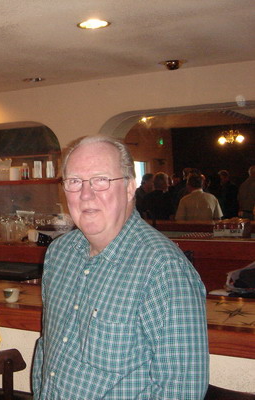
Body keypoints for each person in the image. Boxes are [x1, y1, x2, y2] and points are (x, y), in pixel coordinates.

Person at [32, 135, 208, 399]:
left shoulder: (163, 269)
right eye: (74, 181)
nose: (86, 194)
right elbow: (48, 348)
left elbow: (182, 390)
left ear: (129, 188)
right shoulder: (59, 254)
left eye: (101, 180)